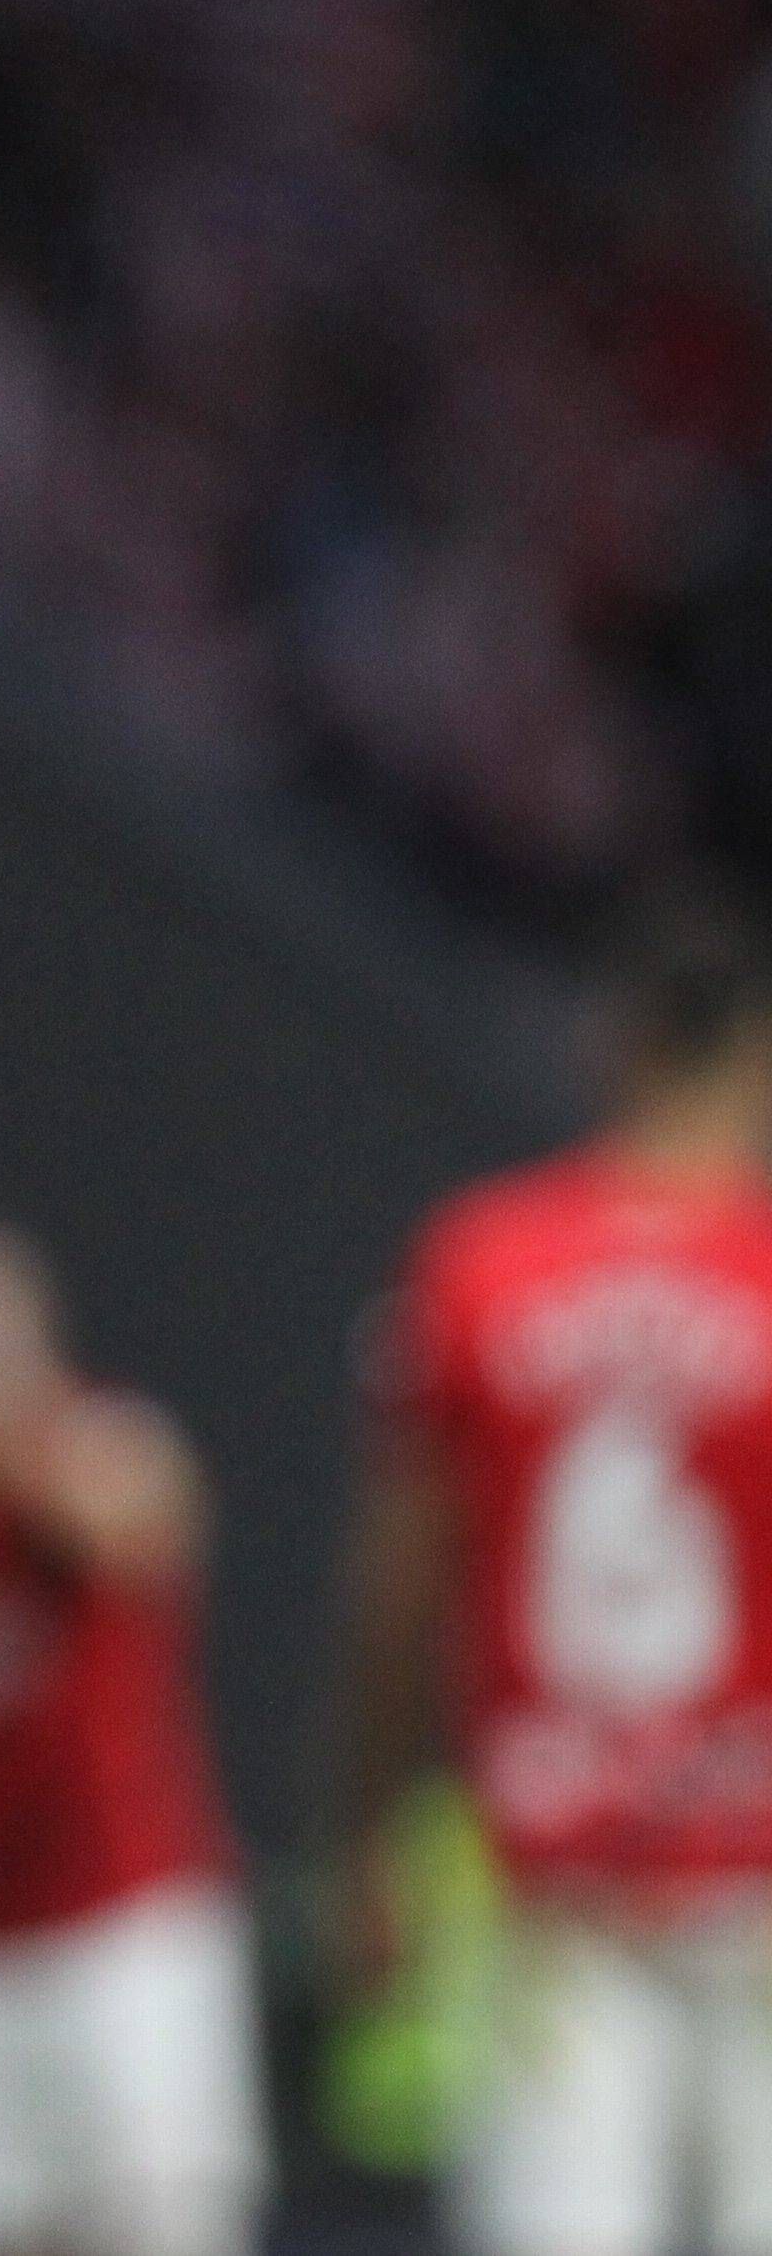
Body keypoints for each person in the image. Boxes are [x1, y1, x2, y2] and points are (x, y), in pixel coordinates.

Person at [344, 894, 772, 2256]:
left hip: (553, 1892)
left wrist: (367, 1827)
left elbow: (398, 1588)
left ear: (611, 1045)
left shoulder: (480, 1261)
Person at [0, 1223, 265, 2256]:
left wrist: (6, 1427)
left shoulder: (106, 1439)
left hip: (129, 1923)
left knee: (162, 2219)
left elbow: (131, 1531)